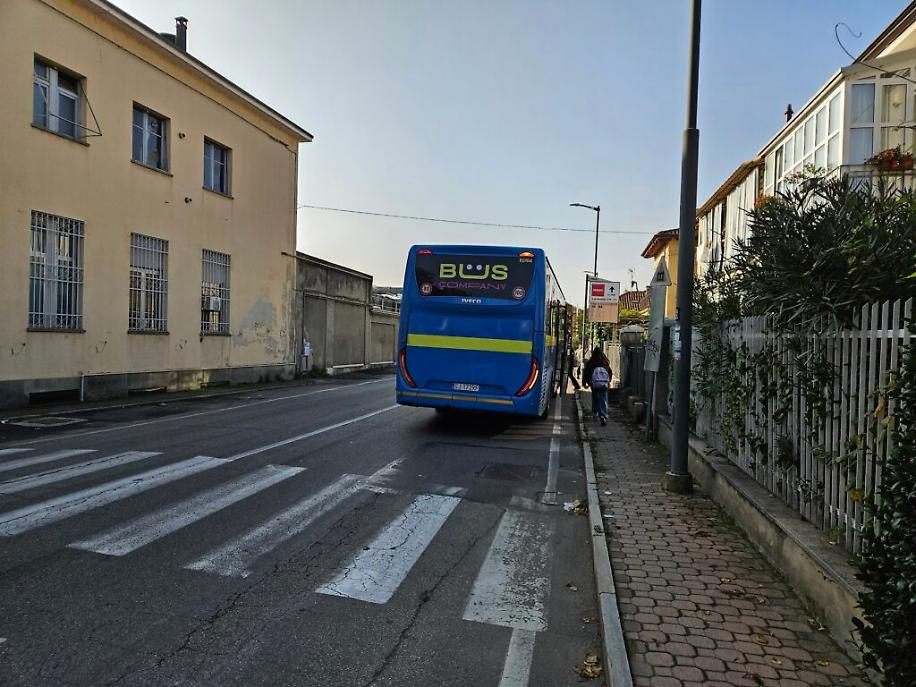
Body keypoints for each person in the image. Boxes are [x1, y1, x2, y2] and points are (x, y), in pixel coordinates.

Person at [582, 346, 612, 425]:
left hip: (594, 383)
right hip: (604, 383)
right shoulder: (605, 361)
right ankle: (603, 414)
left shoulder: (592, 361)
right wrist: (609, 381)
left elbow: (586, 372)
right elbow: (610, 372)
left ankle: (595, 413)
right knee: (604, 399)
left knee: (595, 398)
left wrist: (585, 383)